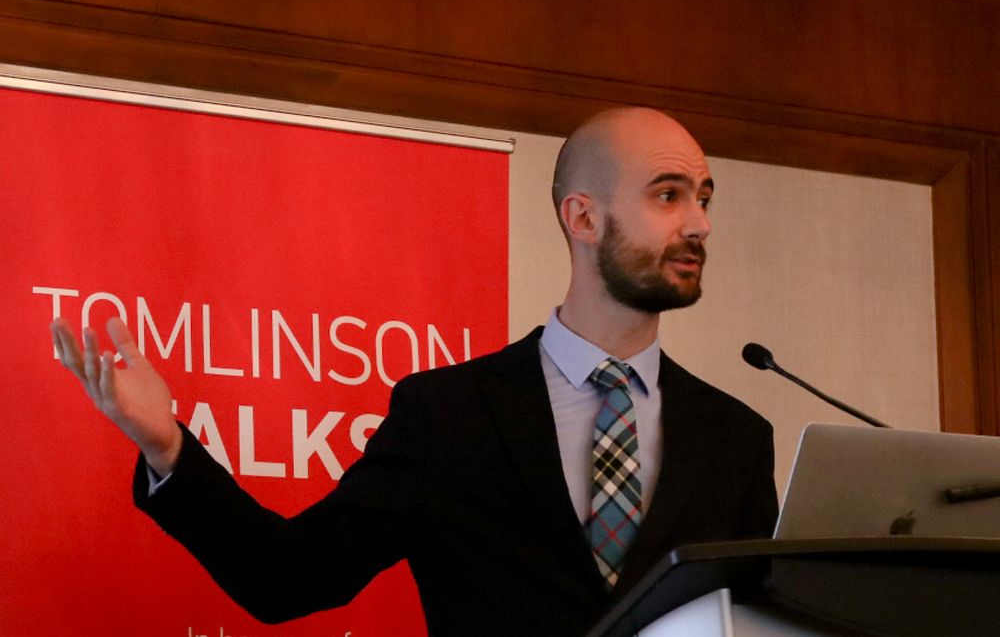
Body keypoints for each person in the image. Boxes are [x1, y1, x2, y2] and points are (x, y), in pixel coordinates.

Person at [50, 107, 778, 637]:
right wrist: (169, 450)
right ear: (582, 219)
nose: (699, 224)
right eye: (668, 194)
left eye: (704, 197)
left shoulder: (738, 441)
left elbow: (768, 620)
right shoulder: (450, 414)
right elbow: (289, 577)